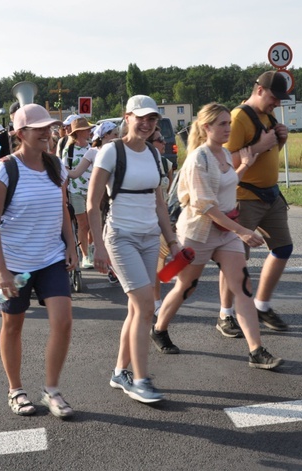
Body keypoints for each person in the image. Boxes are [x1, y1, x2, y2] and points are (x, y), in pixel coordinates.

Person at [148, 103, 283, 369]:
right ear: (206, 127)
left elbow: (226, 184)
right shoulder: (199, 158)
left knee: (242, 287)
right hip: (198, 233)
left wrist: (243, 166)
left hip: (225, 233)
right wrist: (243, 231)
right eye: (222, 124)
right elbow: (205, 205)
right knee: (186, 287)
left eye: (229, 124)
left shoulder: (223, 154)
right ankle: (159, 329)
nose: (228, 128)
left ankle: (256, 350)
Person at [0, 104, 77, 418]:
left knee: (63, 322)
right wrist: (1, 269)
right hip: (15, 265)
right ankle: (15, 389)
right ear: (20, 133)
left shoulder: (56, 166)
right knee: (13, 325)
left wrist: (72, 246)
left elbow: (62, 208)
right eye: (38, 129)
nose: (46, 133)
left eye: (48, 128)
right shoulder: (4, 170)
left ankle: (52, 390)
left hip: (51, 258)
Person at [87, 95, 179, 403]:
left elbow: (160, 204)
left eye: (152, 118)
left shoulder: (154, 154)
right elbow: (92, 204)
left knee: (135, 309)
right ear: (126, 117)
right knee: (145, 307)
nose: (147, 123)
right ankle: (140, 380)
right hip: (121, 237)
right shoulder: (111, 152)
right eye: (140, 117)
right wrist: (98, 247)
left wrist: (173, 240)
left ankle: (120, 372)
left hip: (150, 237)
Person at [217, 71, 292, 336]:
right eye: (274, 97)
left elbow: (267, 153)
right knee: (234, 259)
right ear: (259, 90)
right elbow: (224, 162)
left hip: (270, 196)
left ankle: (261, 304)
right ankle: (225, 314)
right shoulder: (238, 118)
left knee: (283, 248)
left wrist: (278, 142)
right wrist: (261, 145)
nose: (277, 104)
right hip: (244, 198)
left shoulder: (267, 116)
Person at [68, 121, 119, 283]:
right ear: (105, 135)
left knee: (109, 233)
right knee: (88, 227)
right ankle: (92, 257)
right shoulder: (92, 152)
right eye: (115, 134)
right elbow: (75, 173)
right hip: (93, 196)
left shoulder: (119, 151)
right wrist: (54, 167)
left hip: (112, 198)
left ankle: (113, 267)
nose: (118, 138)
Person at [149, 126, 176, 312]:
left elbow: (172, 192)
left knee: (165, 260)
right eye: (159, 140)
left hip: (164, 217)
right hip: (146, 219)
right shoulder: (141, 163)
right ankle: (156, 302)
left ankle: (157, 289)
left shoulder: (166, 164)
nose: (164, 142)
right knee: (157, 261)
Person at [64, 117, 95, 269]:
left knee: (92, 224)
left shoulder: (92, 148)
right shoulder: (69, 150)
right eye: (87, 129)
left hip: (92, 192)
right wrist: (64, 195)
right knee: (83, 225)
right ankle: (85, 256)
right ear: (79, 132)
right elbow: (63, 172)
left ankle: (89, 249)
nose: (90, 131)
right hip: (75, 191)